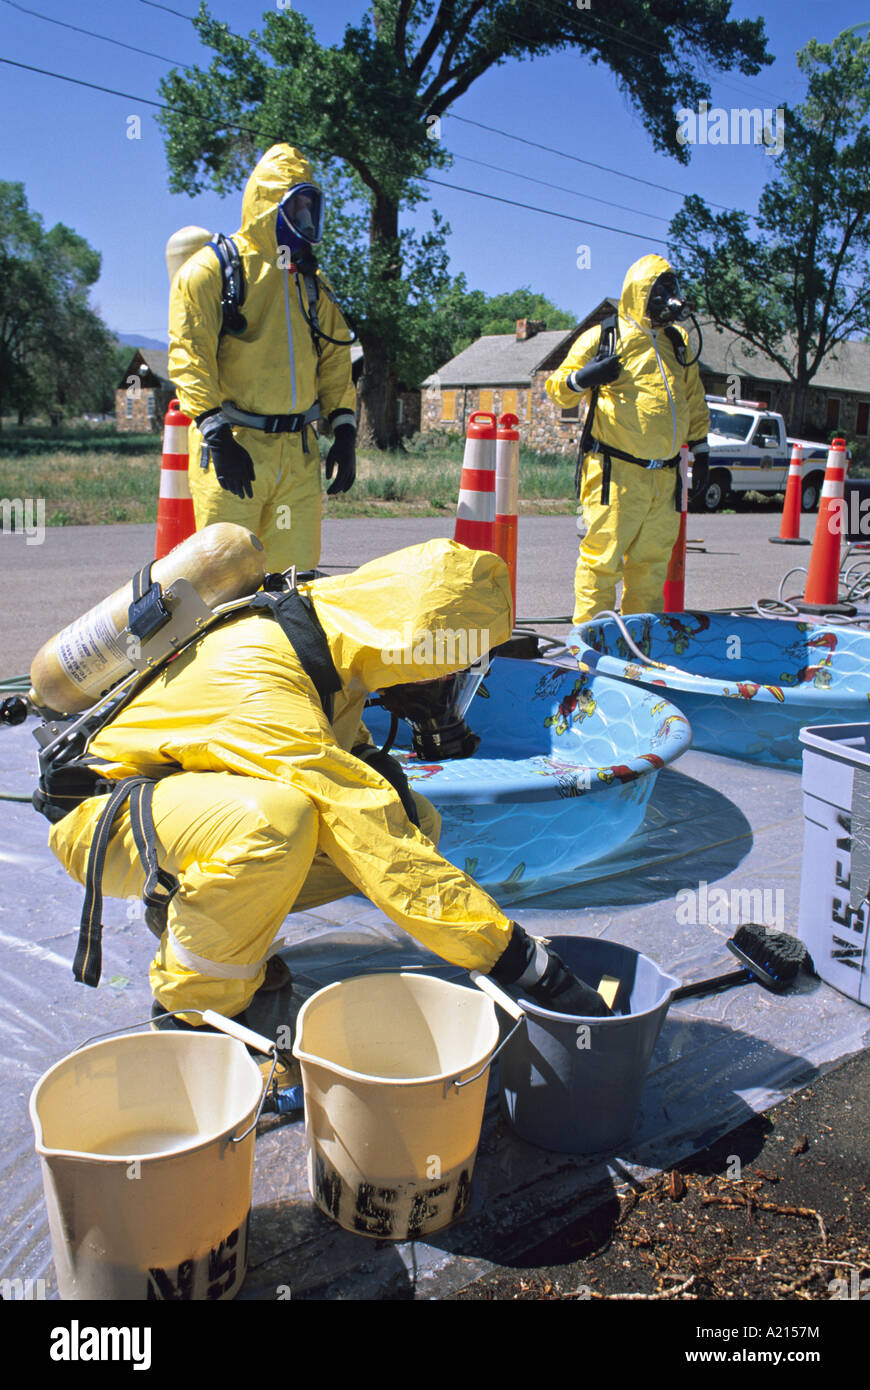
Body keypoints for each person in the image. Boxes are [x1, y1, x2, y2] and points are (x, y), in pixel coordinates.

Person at [46, 540, 611, 1026]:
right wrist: (524, 963)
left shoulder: (326, 637)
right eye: (450, 669)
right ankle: (198, 1013)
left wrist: (365, 757)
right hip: (105, 818)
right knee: (279, 824)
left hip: (180, 804)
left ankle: (208, 919)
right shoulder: (263, 676)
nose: (447, 686)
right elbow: (377, 844)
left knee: (416, 819)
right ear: (420, 646)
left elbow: (343, 759)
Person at [168, 143, 358, 573]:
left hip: (297, 452)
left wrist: (344, 429)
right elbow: (189, 354)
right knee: (224, 581)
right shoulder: (212, 272)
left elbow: (334, 357)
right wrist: (216, 434)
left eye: (310, 208)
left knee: (294, 579)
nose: (305, 220)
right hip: (236, 444)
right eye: (297, 207)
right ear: (269, 206)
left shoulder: (310, 284)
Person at [546, 254, 710, 625]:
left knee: (651, 567)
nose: (669, 297)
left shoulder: (678, 342)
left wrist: (701, 450)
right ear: (640, 293)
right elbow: (557, 389)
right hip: (615, 473)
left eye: (671, 287)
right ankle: (591, 644)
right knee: (602, 563)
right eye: (660, 289)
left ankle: (638, 643)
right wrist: (584, 378)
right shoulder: (605, 337)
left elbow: (693, 398)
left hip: (665, 478)